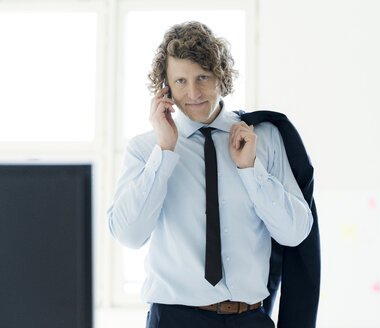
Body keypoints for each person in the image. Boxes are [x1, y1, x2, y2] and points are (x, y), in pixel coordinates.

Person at [107, 21, 314, 328]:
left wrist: (250, 170)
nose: (193, 92)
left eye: (202, 76)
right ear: (165, 87)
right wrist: (164, 153)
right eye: (180, 81)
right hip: (174, 318)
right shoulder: (145, 148)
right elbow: (129, 235)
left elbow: (295, 233)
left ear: (221, 75)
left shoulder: (264, 139)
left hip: (250, 318)